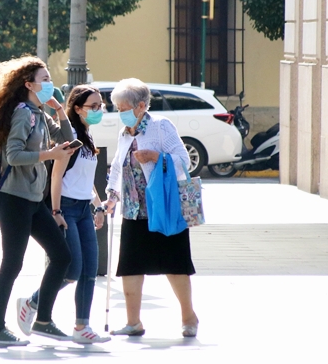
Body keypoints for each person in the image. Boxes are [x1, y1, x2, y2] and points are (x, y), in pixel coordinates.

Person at [0, 56, 76, 347]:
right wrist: (50, 155)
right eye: (45, 79)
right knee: (12, 264)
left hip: (34, 200)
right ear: (28, 84)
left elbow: (67, 143)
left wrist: (59, 110)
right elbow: (13, 156)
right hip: (15, 199)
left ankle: (43, 321)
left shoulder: (38, 112)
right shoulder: (23, 113)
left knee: (62, 256)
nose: (51, 84)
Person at [105, 78, 200, 338]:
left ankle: (189, 317)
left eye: (123, 107)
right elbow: (116, 168)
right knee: (131, 265)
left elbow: (183, 161)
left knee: (175, 263)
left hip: (164, 206)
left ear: (141, 106)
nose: (119, 113)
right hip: (133, 211)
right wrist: (111, 196)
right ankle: (133, 321)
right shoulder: (125, 133)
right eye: (117, 108)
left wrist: (156, 157)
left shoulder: (160, 127)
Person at [15, 85, 111, 344]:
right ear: (77, 108)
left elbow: (86, 180)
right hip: (66, 207)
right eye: (93, 106)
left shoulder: (88, 138)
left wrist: (98, 205)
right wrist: (56, 211)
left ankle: (82, 326)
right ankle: (33, 302)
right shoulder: (71, 137)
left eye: (100, 105)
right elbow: (57, 176)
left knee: (90, 270)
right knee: (72, 270)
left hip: (82, 209)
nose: (98, 110)